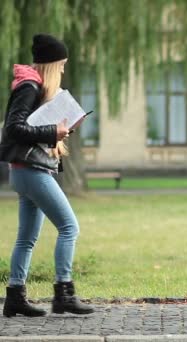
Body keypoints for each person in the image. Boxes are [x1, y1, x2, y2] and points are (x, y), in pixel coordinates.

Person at [0, 34, 93, 317]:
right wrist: (53, 132)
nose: (64, 70)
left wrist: (59, 132)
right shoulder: (29, 86)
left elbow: (28, 129)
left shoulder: (32, 87)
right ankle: (63, 293)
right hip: (32, 171)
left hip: (25, 172)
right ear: (52, 65)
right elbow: (13, 129)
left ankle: (15, 297)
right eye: (62, 65)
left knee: (26, 238)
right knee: (69, 228)